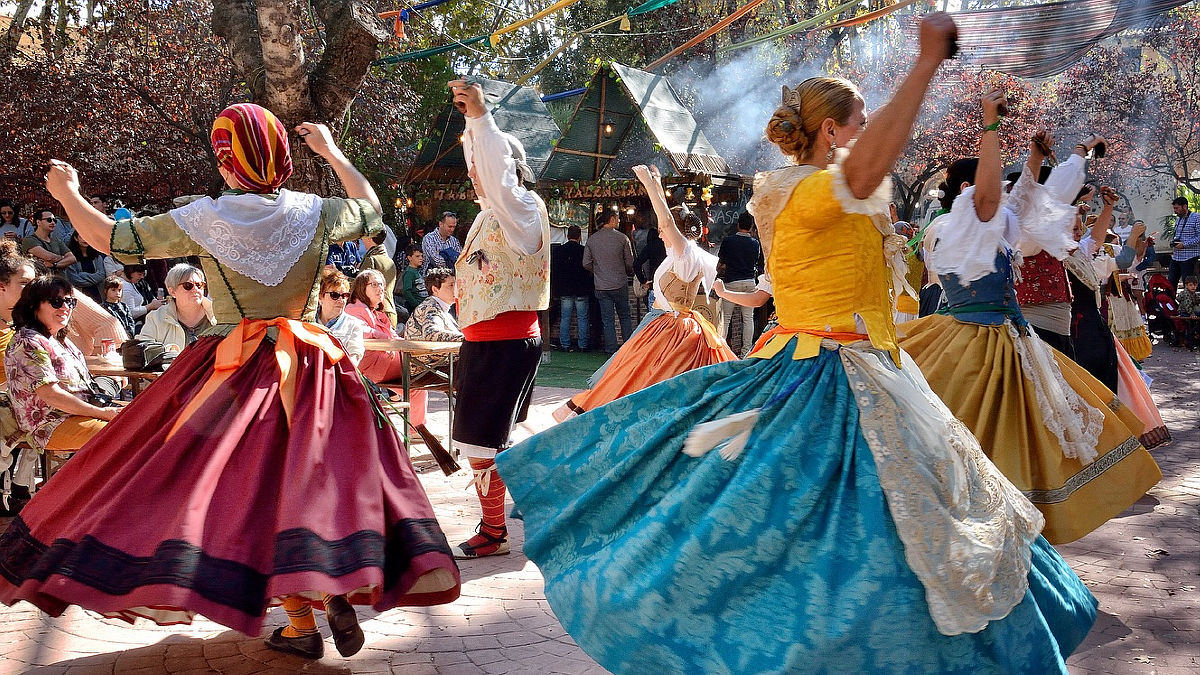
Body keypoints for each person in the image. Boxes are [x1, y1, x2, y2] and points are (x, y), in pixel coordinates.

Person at [496, 18, 1098, 672]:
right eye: (859, 123)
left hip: (873, 372)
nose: (865, 135)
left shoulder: (831, 195)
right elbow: (865, 174)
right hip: (816, 375)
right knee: (814, 530)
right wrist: (925, 64)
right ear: (832, 130)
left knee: (900, 526)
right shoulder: (799, 190)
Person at [0, 103, 460, 661]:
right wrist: (333, 152)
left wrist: (68, 193)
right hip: (317, 367)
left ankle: (301, 621)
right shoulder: (315, 212)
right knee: (319, 481)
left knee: (242, 490)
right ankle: (327, 589)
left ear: (226, 162)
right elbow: (371, 207)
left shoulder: (204, 218)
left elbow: (110, 239)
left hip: (235, 371)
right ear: (282, 159)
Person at [896, 108, 1160, 544]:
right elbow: (1010, 214)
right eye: (990, 181)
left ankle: (1002, 524)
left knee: (1020, 433)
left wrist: (1054, 160)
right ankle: (962, 522)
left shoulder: (992, 225)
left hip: (1008, 337)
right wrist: (990, 128)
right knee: (968, 434)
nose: (1001, 190)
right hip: (967, 337)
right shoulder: (947, 227)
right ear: (968, 190)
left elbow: (1035, 209)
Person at [448, 79, 549, 560]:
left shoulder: (521, 208)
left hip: (502, 341)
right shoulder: (493, 214)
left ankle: (495, 530)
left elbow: (499, 178)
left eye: (479, 166)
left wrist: (480, 118)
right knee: (490, 440)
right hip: (489, 340)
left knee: (480, 440)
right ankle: (506, 519)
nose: (473, 174)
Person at [555, 166, 736, 422]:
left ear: (676, 231)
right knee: (636, 373)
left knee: (646, 377)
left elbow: (665, 221)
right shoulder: (682, 254)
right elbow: (666, 222)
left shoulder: (685, 253)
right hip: (670, 323)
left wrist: (651, 185)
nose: (660, 233)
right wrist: (657, 185)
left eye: (664, 230)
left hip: (673, 328)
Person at [4, 276, 121, 455]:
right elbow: (51, 395)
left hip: (80, 413)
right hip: (50, 425)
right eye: (56, 301)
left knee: (148, 418)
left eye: (70, 302)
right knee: (128, 435)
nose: (65, 307)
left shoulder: (59, 339)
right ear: (33, 305)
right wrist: (101, 413)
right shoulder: (28, 341)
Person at [1013, 142, 1104, 358]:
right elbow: (1061, 189)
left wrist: (1081, 151)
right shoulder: (1030, 231)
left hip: (1053, 326)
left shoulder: (1040, 229)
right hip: (1040, 327)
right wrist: (1081, 150)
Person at [0, 242, 37, 517]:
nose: (32, 290)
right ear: (2, 286)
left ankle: (22, 483)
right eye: (24, 283)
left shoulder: (25, 323)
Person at [402, 268, 463, 431]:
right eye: (450, 285)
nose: (455, 289)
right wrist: (469, 339)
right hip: (426, 370)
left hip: (436, 366)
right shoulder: (431, 306)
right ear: (435, 289)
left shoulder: (440, 308)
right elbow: (432, 333)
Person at [584, 210, 634, 353]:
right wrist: (625, 271)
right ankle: (628, 348)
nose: (618, 221)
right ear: (612, 219)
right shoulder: (622, 238)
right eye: (617, 219)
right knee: (624, 316)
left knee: (607, 320)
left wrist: (598, 270)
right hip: (619, 282)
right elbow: (630, 263)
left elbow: (585, 262)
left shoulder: (592, 239)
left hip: (601, 285)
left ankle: (611, 349)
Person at [136, 263, 216, 353]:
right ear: (172, 292)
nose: (196, 289)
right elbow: (142, 348)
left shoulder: (219, 315)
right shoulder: (156, 318)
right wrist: (166, 350)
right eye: (188, 286)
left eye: (199, 285)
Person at [716, 211, 763, 357]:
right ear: (750, 227)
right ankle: (745, 352)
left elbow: (721, 263)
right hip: (749, 283)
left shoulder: (728, 241)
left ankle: (722, 351)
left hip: (731, 283)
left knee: (726, 318)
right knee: (748, 319)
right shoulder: (755, 243)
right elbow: (756, 262)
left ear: (738, 225)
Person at [344, 268, 399, 381]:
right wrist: (383, 337)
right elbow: (359, 329)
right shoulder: (354, 308)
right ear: (362, 288)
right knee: (420, 367)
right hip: (370, 366)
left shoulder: (378, 313)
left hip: (385, 360)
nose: (380, 289)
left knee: (417, 390)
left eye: (381, 285)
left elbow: (394, 336)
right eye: (374, 284)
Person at [551, 224, 591, 351]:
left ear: (567, 236)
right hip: (581, 288)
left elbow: (555, 271)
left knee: (565, 317)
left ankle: (565, 344)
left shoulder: (559, 251)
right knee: (582, 318)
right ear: (579, 236)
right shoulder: (584, 251)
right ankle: (583, 345)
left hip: (565, 289)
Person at [315, 269, 365, 365]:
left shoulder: (353, 325)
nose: (341, 300)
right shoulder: (307, 323)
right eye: (335, 295)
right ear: (320, 297)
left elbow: (354, 357)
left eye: (345, 295)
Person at [358, 229, 398, 326]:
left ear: (369, 238)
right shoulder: (389, 261)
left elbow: (360, 287)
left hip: (376, 314)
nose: (362, 240)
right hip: (390, 311)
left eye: (363, 236)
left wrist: (341, 277)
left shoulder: (371, 260)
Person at [21, 210, 76, 275]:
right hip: (41, 281)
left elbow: (73, 258)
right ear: (38, 222)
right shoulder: (29, 240)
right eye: (49, 220)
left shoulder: (56, 240)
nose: (53, 223)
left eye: (54, 220)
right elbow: (49, 257)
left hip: (59, 281)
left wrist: (54, 265)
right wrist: (63, 258)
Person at [63, 230, 110, 302]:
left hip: (98, 295)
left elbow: (101, 275)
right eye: (82, 236)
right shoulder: (71, 258)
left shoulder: (97, 257)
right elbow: (74, 279)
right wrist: (94, 279)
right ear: (76, 238)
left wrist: (82, 275)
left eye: (87, 237)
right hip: (81, 296)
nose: (85, 239)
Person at [1168, 196, 1200, 291]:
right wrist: (1174, 242)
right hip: (1176, 256)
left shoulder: (1196, 217)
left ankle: (1191, 304)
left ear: (1185, 206)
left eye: (1177, 208)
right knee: (1171, 283)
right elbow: (1179, 235)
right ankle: (1170, 304)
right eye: (1174, 208)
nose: (1175, 211)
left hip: (1189, 257)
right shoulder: (1179, 219)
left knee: (1189, 283)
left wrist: (1185, 244)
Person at [117, 263, 163, 328]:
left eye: (143, 274)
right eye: (139, 274)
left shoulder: (129, 283)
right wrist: (150, 306)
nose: (142, 277)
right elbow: (130, 313)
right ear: (130, 273)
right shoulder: (125, 286)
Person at [99, 275, 136, 340]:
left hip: (127, 338)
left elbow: (131, 322)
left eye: (119, 290)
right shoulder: (103, 307)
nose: (117, 293)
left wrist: (129, 334)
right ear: (105, 291)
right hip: (114, 337)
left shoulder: (124, 306)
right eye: (113, 290)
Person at [399, 244, 427, 313]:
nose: (421, 258)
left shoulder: (416, 271)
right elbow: (406, 291)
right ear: (409, 258)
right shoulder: (409, 272)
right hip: (415, 307)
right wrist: (416, 304)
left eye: (421, 256)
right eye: (417, 256)